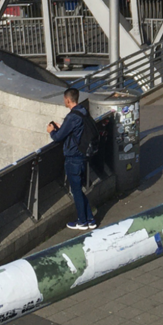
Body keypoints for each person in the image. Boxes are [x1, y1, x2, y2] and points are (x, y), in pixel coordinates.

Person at [48, 88, 96, 231]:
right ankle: (90, 219)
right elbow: (74, 131)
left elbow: (58, 137)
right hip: (82, 155)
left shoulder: (71, 117)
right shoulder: (82, 111)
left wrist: (52, 131)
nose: (64, 101)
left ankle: (82, 221)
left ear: (68, 100)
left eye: (64, 99)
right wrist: (62, 128)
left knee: (76, 191)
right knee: (78, 190)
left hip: (73, 157)